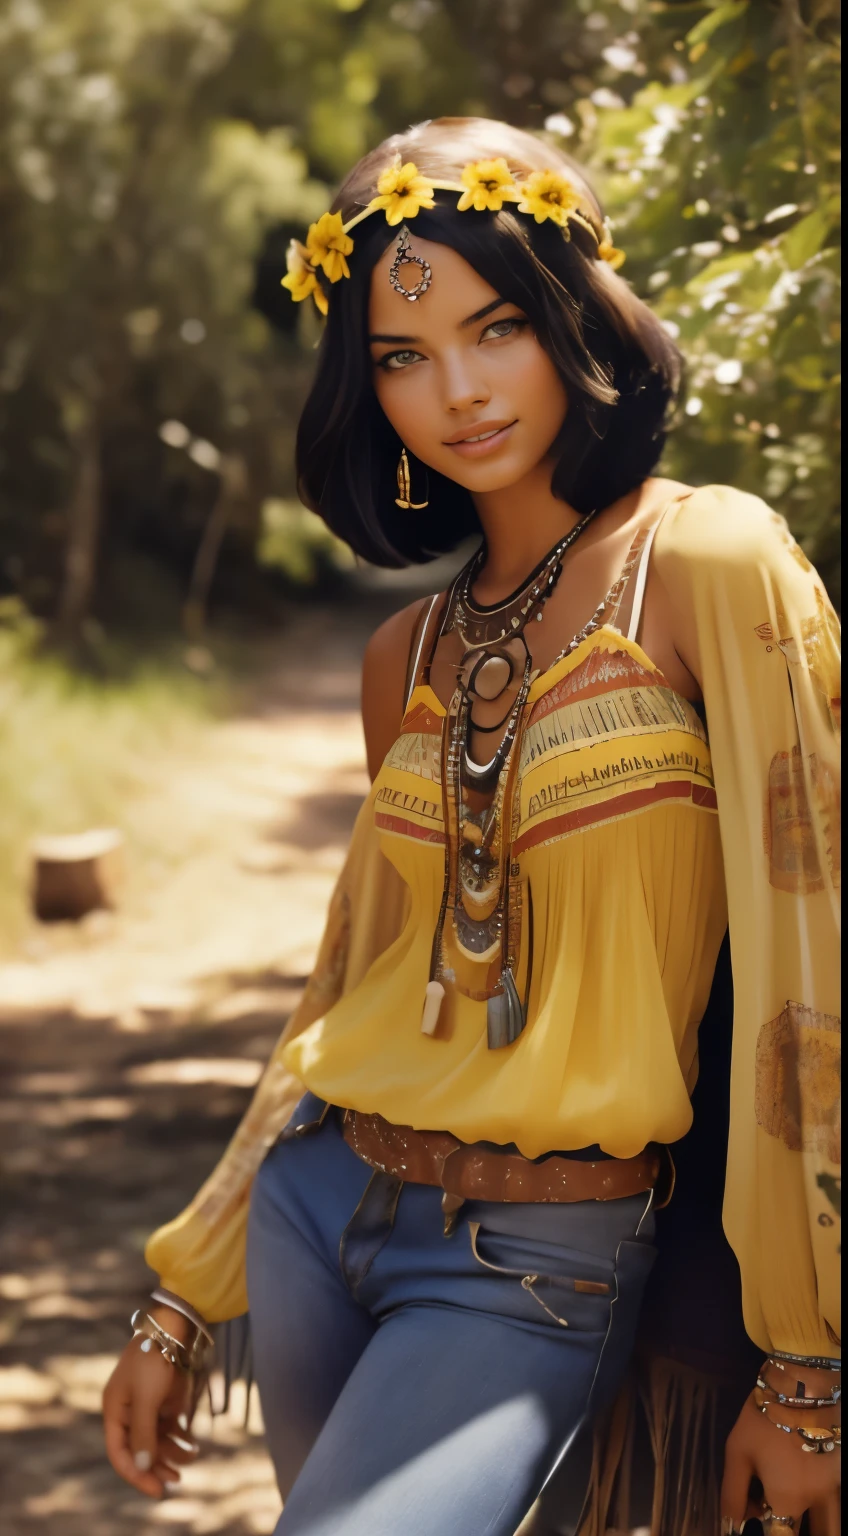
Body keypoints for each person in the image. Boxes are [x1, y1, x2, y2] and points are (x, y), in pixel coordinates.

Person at [102, 118, 841, 1535]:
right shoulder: (406, 659)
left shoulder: (709, 562)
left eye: (496, 329)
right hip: (320, 1217)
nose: (456, 391)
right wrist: (185, 1291)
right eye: (401, 355)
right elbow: (349, 993)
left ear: (574, 318)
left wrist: (811, 1357)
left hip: (544, 1252)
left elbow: (812, 971)